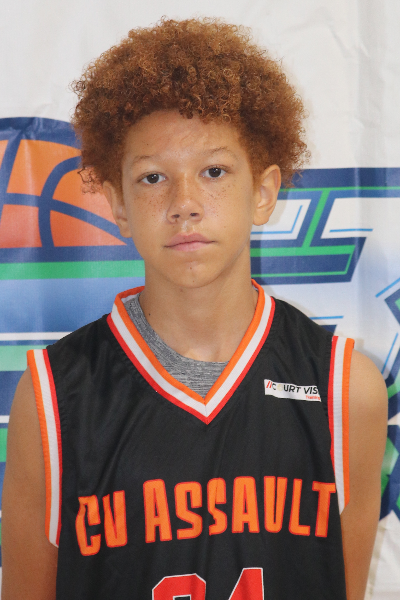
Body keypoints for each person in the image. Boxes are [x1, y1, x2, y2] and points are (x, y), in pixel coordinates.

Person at [1, 17, 387, 600]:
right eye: (153, 177)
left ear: (263, 192)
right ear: (118, 205)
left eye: (213, 171)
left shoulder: (345, 389)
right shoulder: (54, 397)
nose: (184, 203)